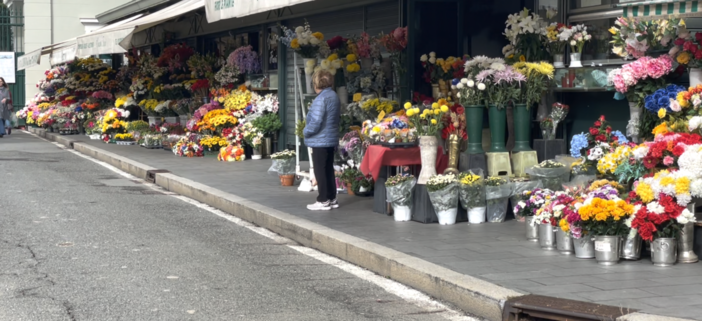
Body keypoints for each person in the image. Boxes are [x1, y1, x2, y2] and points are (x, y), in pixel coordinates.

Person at [303, 70, 340, 211]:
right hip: (330, 138)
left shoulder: (320, 99)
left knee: (320, 170)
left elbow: (316, 121)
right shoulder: (333, 96)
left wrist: (305, 131)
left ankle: (323, 199)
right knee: (328, 169)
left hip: (320, 139)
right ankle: (332, 198)